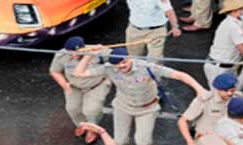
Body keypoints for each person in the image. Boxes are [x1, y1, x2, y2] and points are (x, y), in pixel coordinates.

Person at [74, 46, 207, 145]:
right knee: (120, 141)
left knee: (143, 141)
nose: (121, 66)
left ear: (129, 57)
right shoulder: (109, 68)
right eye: (117, 64)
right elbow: (79, 73)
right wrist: (89, 55)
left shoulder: (147, 67)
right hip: (123, 106)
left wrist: (199, 89)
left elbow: (180, 75)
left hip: (147, 109)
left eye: (124, 62)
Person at [80, 0, 182, 61]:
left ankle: (154, 76)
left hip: (156, 31)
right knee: (134, 58)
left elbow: (169, 11)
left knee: (155, 60)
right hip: (134, 30)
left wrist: (175, 27)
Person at [49, 36, 112, 143]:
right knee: (73, 109)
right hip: (74, 86)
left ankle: (92, 129)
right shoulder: (61, 55)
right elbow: (55, 71)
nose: (73, 55)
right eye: (70, 53)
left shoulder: (97, 51)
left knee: (91, 110)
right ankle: (82, 125)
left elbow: (119, 59)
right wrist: (64, 84)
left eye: (77, 52)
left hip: (96, 85)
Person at [178, 72, 238, 144]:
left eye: (232, 90)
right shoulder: (204, 100)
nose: (229, 93)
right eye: (225, 90)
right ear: (218, 89)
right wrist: (189, 141)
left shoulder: (237, 99)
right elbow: (182, 121)